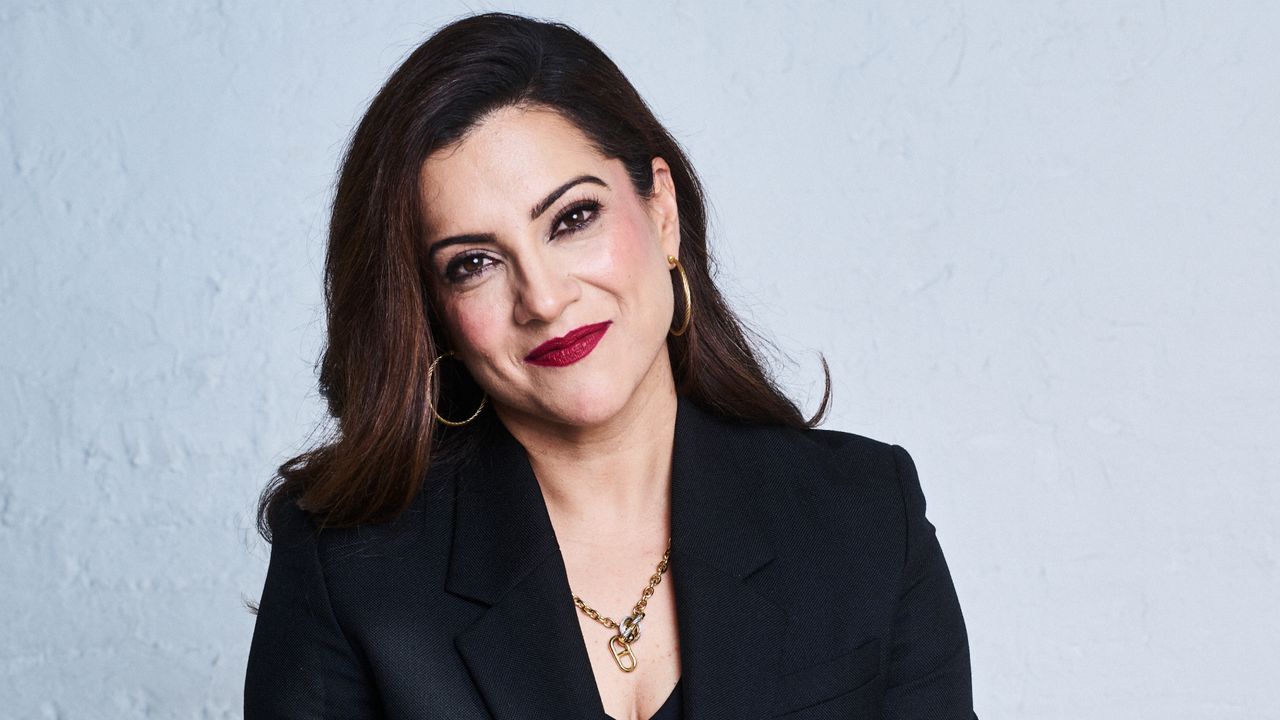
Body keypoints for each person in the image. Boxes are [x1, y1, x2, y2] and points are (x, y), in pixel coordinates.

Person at [243, 11, 977, 720]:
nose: (545, 298)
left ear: (662, 212)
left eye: (571, 219)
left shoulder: (866, 515)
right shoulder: (349, 572)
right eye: (474, 263)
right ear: (431, 311)